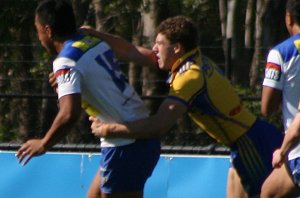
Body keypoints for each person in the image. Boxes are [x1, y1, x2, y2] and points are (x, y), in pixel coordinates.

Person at [86, 16, 283, 197]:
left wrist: (109, 129)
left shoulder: (189, 77)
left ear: (177, 48)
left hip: (251, 145)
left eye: (159, 44)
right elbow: (130, 51)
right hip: (247, 141)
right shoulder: (191, 58)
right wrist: (95, 34)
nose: (154, 48)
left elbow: (158, 126)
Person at [15, 1, 160, 198]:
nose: (39, 37)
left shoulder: (66, 61)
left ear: (48, 30)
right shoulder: (91, 42)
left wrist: (44, 143)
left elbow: (69, 114)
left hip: (126, 143)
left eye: (37, 30)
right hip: (131, 137)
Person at [260, 0, 300, 197]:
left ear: (289, 17)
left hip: (296, 146)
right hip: (293, 146)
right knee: (269, 191)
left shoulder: (281, 53)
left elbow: (267, 108)